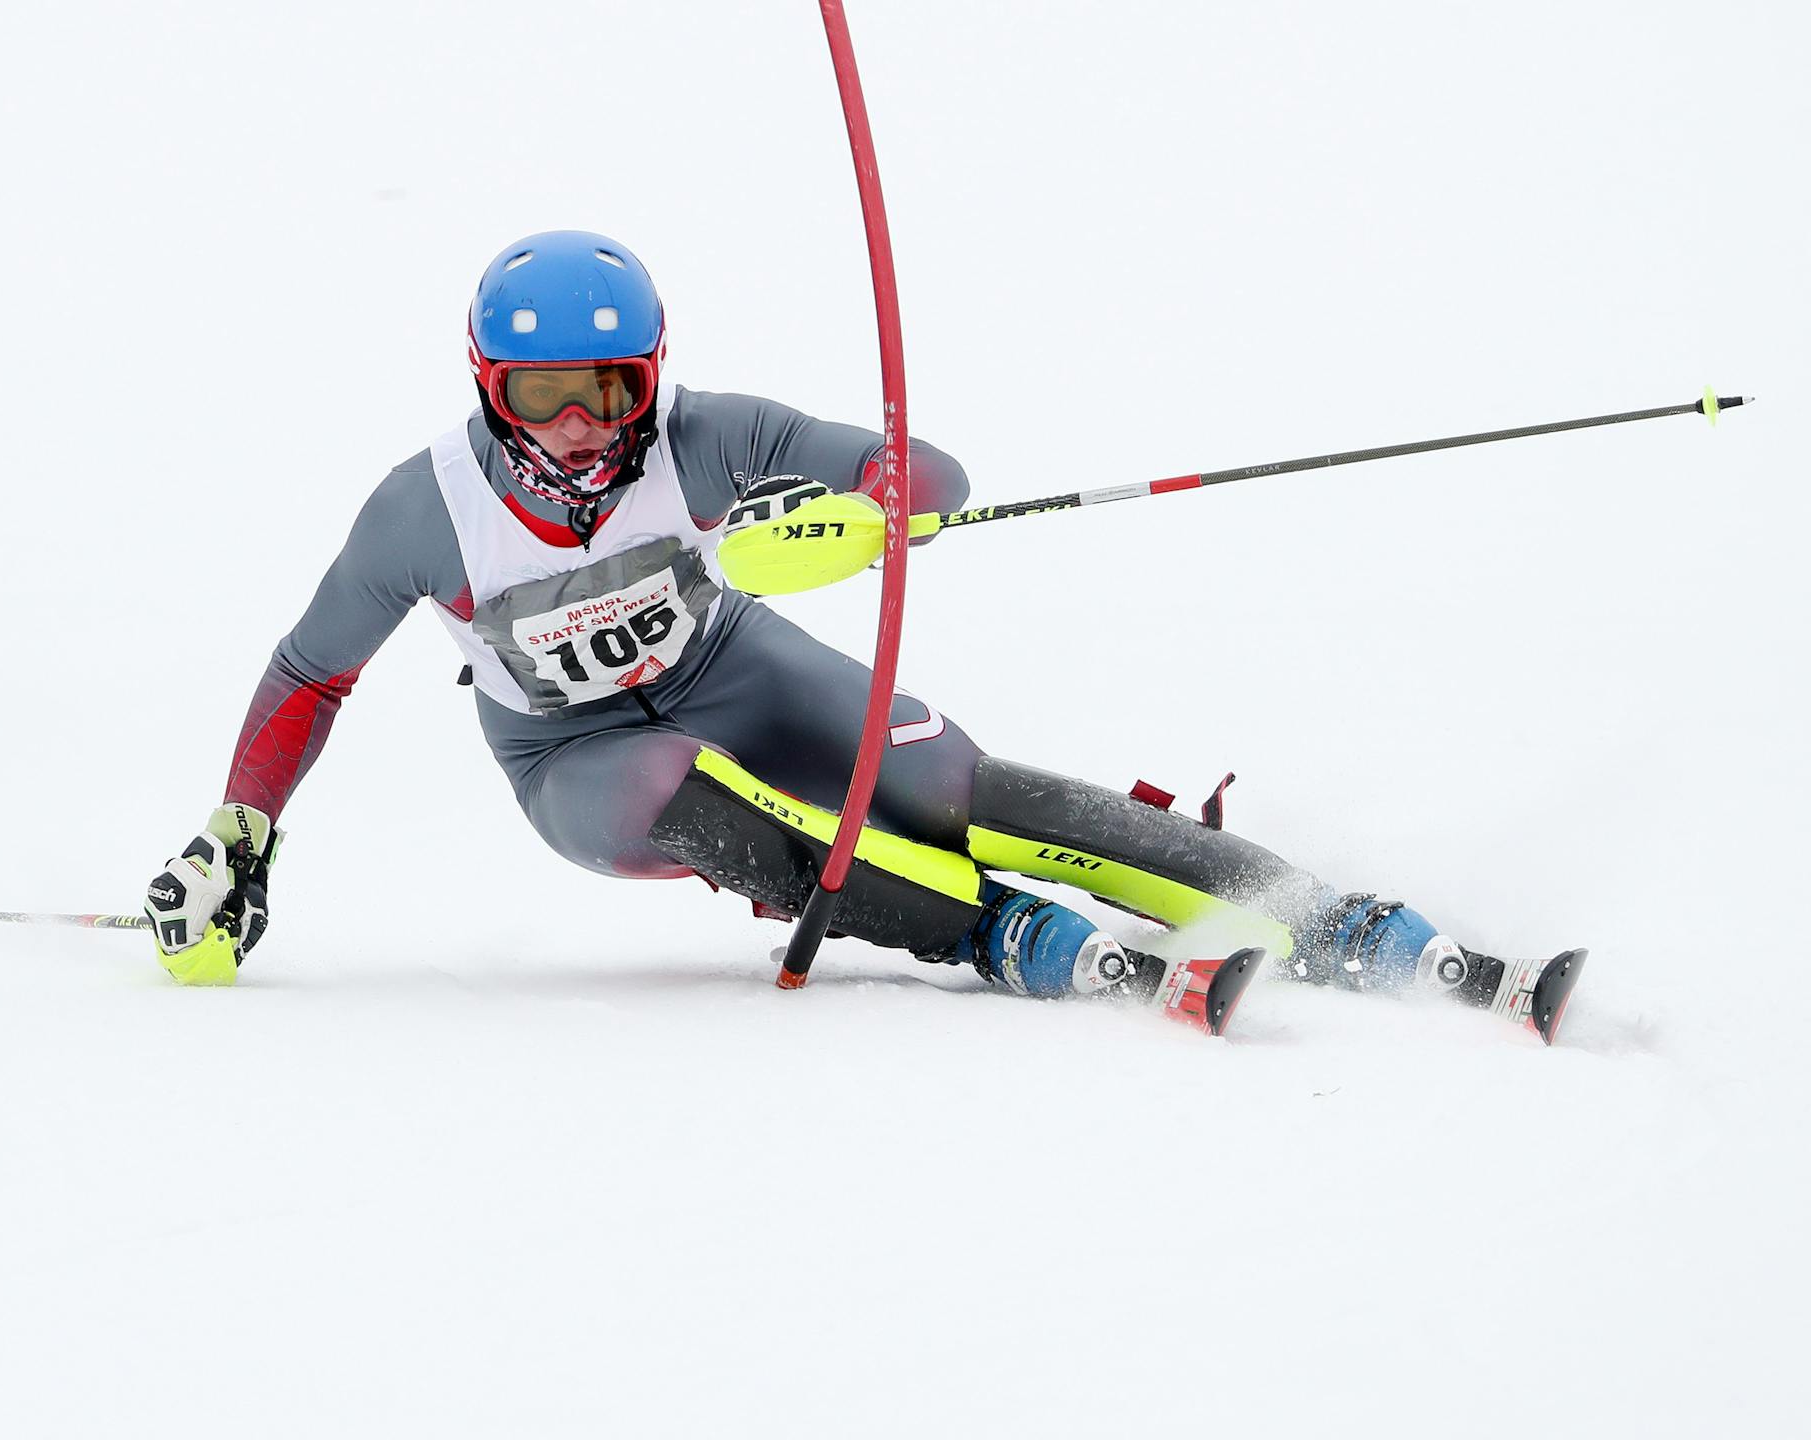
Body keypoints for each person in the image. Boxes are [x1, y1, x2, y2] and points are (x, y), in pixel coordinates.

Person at [142, 230, 1583, 1041]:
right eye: (537, 398)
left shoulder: (706, 440)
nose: (576, 431)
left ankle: (1319, 912)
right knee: (695, 800)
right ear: (485, 391)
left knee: (956, 788)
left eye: (603, 391)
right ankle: (1003, 935)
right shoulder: (427, 512)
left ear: (651, 379)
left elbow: (924, 471)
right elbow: (309, 671)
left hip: (738, 669)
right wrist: (243, 828)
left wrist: (879, 491)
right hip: (576, 756)